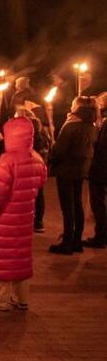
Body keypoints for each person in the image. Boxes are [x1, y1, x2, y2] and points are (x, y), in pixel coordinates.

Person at [0, 117, 47, 311]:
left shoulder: (8, 160)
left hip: (7, 217)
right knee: (21, 256)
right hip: (26, 216)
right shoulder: (36, 157)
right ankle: (21, 298)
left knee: (4, 255)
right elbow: (41, 181)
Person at [47, 95, 98, 254]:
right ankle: (76, 240)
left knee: (67, 207)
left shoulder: (71, 125)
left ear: (78, 107)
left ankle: (67, 242)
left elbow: (59, 150)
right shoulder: (92, 125)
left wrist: (52, 150)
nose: (70, 106)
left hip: (66, 169)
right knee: (77, 204)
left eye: (73, 104)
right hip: (80, 169)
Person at [84, 93, 107, 248]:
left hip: (101, 169)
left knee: (98, 204)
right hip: (101, 167)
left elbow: (101, 146)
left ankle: (101, 236)